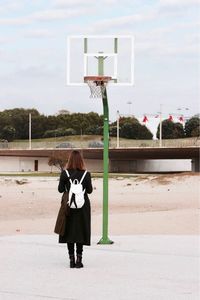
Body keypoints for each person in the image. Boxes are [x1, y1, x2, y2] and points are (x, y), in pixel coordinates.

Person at [58, 150, 93, 268]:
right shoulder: (86, 174)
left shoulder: (64, 173)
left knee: (69, 231)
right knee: (80, 231)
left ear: (70, 160)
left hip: (68, 205)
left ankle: (71, 259)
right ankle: (79, 260)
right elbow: (89, 191)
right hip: (82, 206)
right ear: (81, 161)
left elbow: (60, 189)